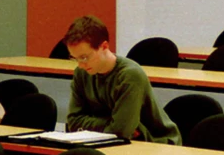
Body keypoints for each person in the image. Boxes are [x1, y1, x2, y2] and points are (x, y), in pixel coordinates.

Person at [63, 15, 180, 144]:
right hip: (113, 141)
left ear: (104, 46)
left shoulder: (130, 75)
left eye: (84, 57)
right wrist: (110, 122)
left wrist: (91, 124)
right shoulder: (81, 73)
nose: (80, 64)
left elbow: (120, 131)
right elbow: (73, 122)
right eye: (74, 58)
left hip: (155, 143)